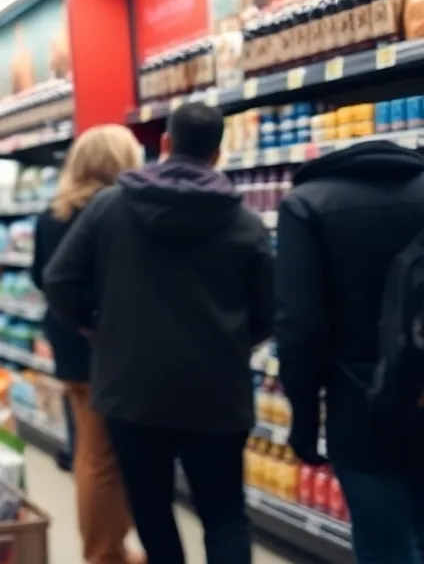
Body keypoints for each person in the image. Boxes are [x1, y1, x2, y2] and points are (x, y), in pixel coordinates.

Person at [44, 102, 274, 564]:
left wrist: (96, 326)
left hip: (132, 390)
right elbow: (270, 311)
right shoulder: (244, 223)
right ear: (218, 153)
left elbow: (59, 279)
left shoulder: (110, 207)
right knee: (224, 513)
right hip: (216, 394)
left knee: (151, 506)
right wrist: (232, 342)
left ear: (165, 144)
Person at [275, 140, 424, 562]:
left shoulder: (306, 204)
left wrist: (304, 418)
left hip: (360, 408)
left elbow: (300, 327)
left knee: (386, 546)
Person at [32, 125, 145, 564]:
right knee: (101, 455)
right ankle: (104, 553)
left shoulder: (53, 213)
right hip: (103, 341)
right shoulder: (114, 212)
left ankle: (112, 544)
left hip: (67, 341)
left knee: (91, 446)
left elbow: (40, 276)